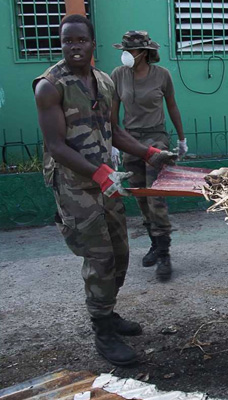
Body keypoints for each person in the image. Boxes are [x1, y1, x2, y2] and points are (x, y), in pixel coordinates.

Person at [33, 15, 176, 366]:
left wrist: (149, 153)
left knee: (120, 251)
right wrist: (98, 173)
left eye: (80, 40)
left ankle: (108, 312)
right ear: (62, 44)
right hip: (75, 187)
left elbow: (115, 131)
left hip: (107, 180)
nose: (74, 46)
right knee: (99, 257)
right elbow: (56, 146)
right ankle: (103, 332)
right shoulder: (50, 86)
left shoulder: (103, 81)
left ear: (92, 43)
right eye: (68, 41)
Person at [110, 31, 187, 281]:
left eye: (131, 51)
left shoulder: (161, 75)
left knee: (156, 196)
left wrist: (182, 138)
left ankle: (164, 254)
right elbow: (113, 109)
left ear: (145, 53)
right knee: (140, 195)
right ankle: (155, 243)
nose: (126, 54)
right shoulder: (118, 75)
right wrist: (112, 142)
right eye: (124, 49)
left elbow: (173, 105)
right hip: (129, 140)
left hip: (156, 139)